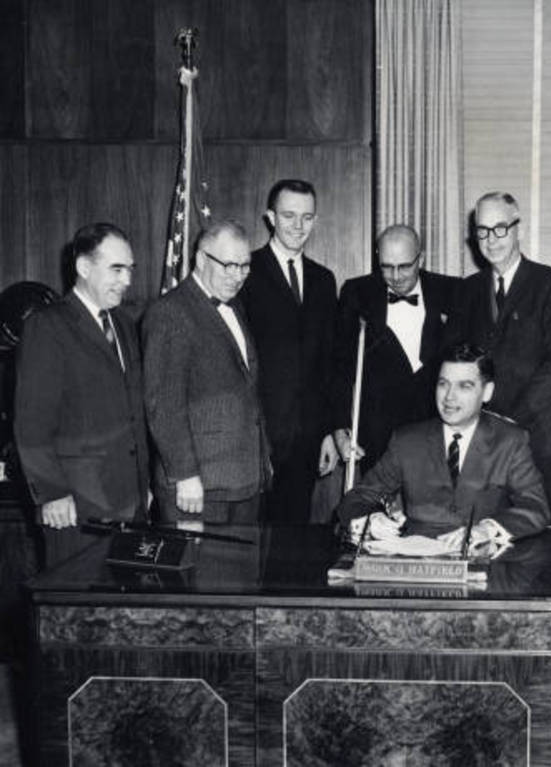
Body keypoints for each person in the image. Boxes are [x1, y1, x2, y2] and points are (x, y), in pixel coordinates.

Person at [15, 223, 149, 566]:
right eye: (116, 269)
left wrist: (142, 484)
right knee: (76, 615)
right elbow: (32, 423)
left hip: (129, 501)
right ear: (83, 267)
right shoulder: (47, 325)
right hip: (75, 506)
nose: (127, 280)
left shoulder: (123, 324)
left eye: (130, 270)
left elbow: (133, 409)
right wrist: (52, 493)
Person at [336, 343, 549, 545]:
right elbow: (357, 498)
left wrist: (486, 529)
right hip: (419, 565)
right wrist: (371, 520)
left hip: (484, 566)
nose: (449, 397)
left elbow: (536, 508)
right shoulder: (407, 441)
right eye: (443, 384)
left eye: (464, 386)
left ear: (487, 392)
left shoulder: (510, 441)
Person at [445, 192, 551, 522]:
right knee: (481, 537)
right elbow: (454, 361)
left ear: (519, 228)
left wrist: (511, 419)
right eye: (483, 231)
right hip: (480, 440)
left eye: (500, 228)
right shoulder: (466, 290)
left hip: (538, 439)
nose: (491, 240)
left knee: (537, 539)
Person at [143, 220, 270, 525]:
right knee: (202, 572)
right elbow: (163, 403)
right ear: (201, 260)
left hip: (243, 479)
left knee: (241, 571)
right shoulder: (170, 312)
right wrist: (185, 474)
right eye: (228, 265)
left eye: (244, 266)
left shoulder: (235, 306)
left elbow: (246, 390)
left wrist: (262, 457)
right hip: (197, 487)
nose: (237, 276)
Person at [239, 179, 339, 525]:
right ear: (270, 218)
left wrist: (328, 431)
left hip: (307, 439)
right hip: (258, 437)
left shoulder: (325, 281)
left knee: (293, 540)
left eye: (307, 217)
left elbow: (328, 364)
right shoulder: (245, 273)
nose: (298, 226)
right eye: (288, 216)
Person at [333, 224, 460, 475]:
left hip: (437, 427)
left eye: (405, 266)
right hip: (378, 432)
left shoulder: (453, 291)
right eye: (387, 267)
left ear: (420, 258)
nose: (396, 275)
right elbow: (340, 367)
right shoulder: (357, 293)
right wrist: (340, 427)